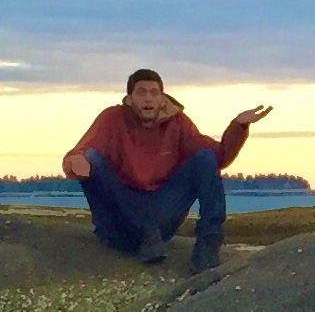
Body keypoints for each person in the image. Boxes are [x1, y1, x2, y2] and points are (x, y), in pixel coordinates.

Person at [61, 71, 270, 272]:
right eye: (141, 92)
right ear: (130, 99)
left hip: (160, 213)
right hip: (120, 221)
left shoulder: (177, 122)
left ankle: (208, 244)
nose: (148, 98)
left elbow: (217, 158)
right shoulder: (112, 118)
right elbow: (81, 151)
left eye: (154, 92)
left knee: (204, 158)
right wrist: (78, 163)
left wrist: (238, 126)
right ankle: (146, 234)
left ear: (162, 98)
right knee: (93, 159)